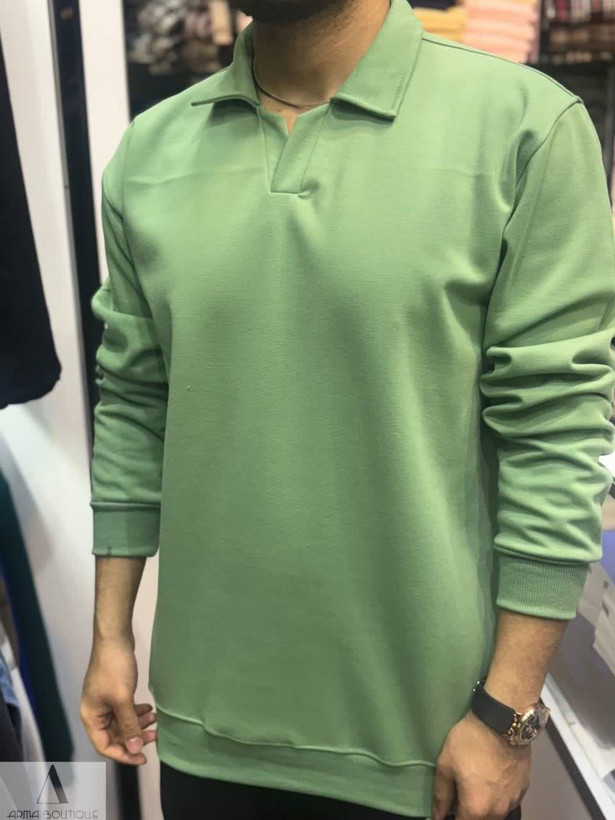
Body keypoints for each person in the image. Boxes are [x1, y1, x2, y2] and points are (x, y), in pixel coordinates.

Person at [79, 0, 615, 816]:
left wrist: (506, 714)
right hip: (205, 730)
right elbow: (133, 403)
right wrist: (111, 634)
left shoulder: (524, 128)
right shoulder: (149, 152)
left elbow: (555, 433)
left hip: (428, 742)